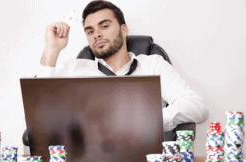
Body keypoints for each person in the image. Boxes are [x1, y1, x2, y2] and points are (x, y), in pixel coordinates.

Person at [36, 0, 209, 132]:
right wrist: (52, 50)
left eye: (104, 26)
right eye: (90, 31)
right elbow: (38, 114)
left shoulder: (153, 65)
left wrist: (147, 120)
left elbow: (197, 107)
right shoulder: (74, 69)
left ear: (124, 30)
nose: (97, 34)